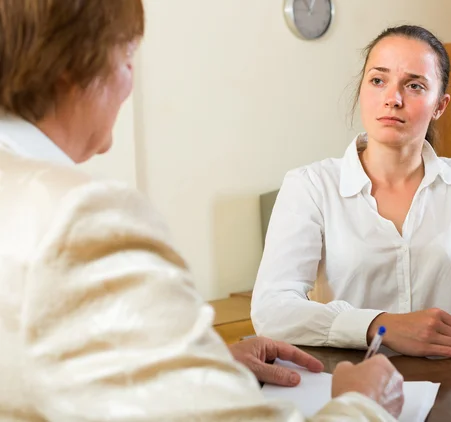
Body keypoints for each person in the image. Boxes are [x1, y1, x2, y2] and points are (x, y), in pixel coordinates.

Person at [0, 1, 404, 420]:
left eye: (414, 85)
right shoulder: (80, 215)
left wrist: (198, 372)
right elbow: (274, 307)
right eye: (125, 59)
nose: (129, 83)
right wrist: (364, 405)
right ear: (72, 67)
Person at [251, 25, 451, 359]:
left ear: (440, 106)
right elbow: (272, 309)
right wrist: (381, 325)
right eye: (378, 80)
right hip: (351, 388)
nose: (393, 98)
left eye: (415, 85)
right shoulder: (311, 185)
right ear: (361, 90)